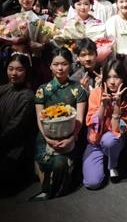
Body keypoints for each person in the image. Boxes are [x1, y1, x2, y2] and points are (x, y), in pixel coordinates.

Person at [32, 48, 87, 201]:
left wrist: (71, 138)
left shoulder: (78, 89)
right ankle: (48, 186)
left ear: (70, 65)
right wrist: (47, 138)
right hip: (46, 136)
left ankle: (53, 189)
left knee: (59, 164)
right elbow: (39, 118)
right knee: (47, 161)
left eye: (64, 64)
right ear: (50, 66)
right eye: (56, 64)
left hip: (70, 136)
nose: (60, 68)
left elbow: (79, 119)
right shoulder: (42, 90)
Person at [0, 53, 36, 196]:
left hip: (16, 147)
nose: (14, 73)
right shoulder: (2, 89)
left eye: (19, 69)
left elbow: (17, 126)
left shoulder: (28, 96)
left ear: (26, 72)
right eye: (11, 69)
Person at [83, 59, 127, 188]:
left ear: (123, 78)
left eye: (116, 77)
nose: (112, 82)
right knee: (92, 183)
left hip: (113, 141)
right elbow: (92, 124)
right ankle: (103, 159)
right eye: (109, 77)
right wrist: (103, 105)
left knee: (109, 140)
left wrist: (117, 107)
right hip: (95, 142)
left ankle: (112, 165)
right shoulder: (96, 93)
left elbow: (118, 131)